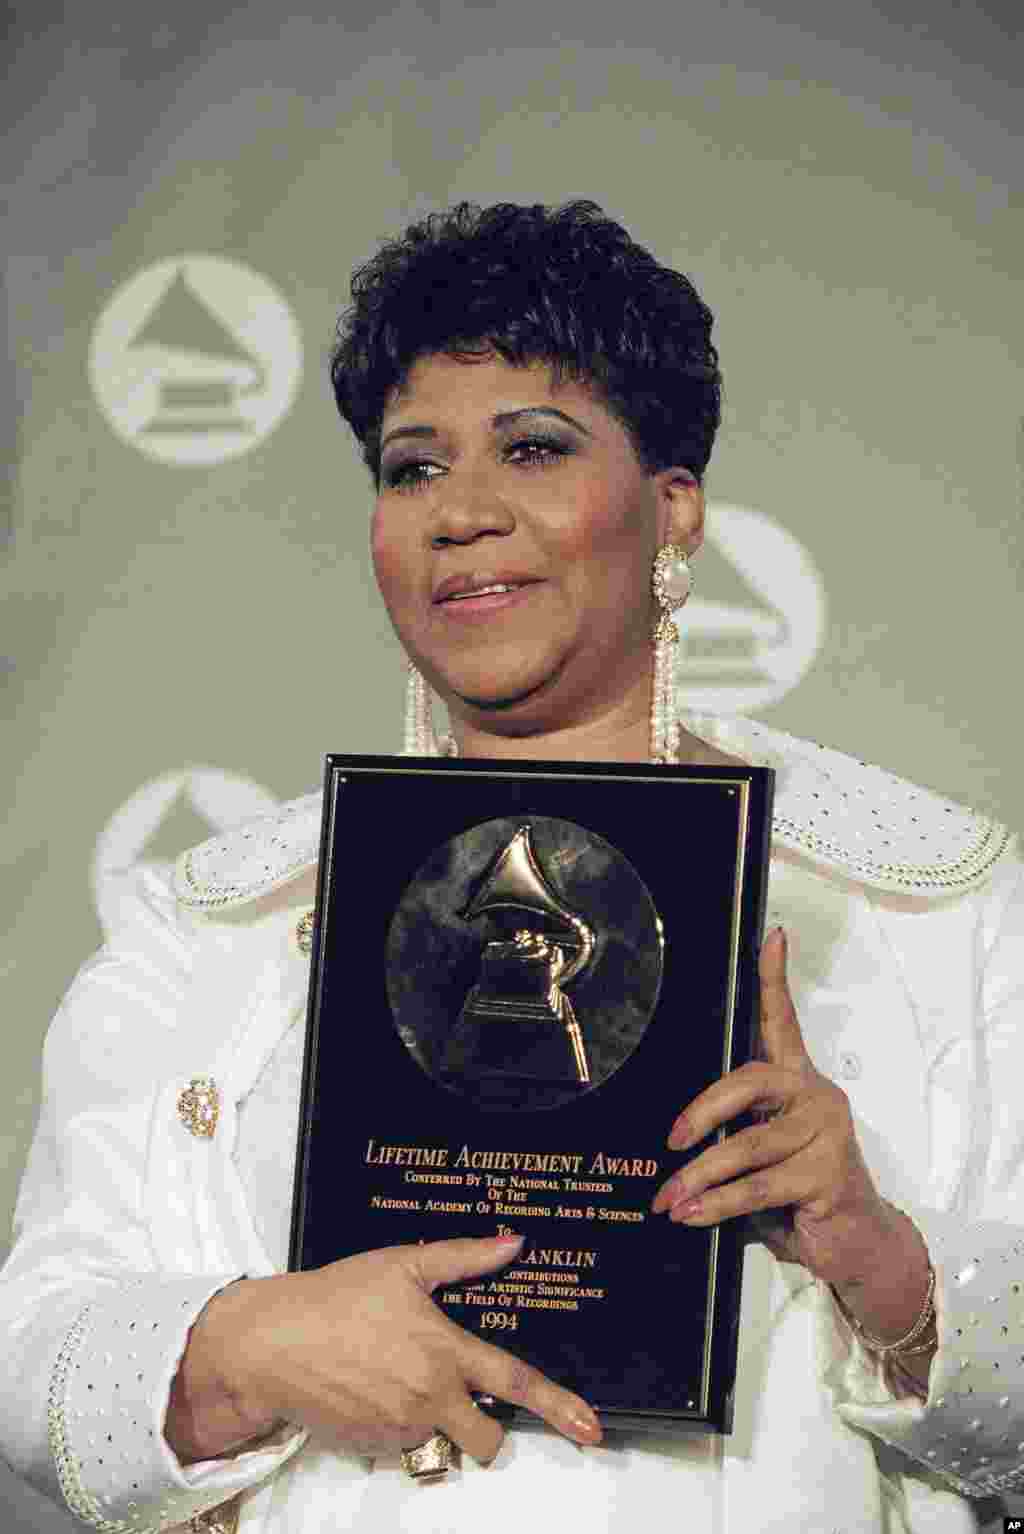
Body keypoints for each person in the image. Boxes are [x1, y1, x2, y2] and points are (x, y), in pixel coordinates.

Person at [2, 199, 1023, 1534]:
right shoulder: (214, 926)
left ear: (673, 507)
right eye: (412, 467)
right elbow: (34, 1353)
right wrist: (249, 1347)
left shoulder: (929, 903)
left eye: (533, 448)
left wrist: (878, 1258)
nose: (463, 512)